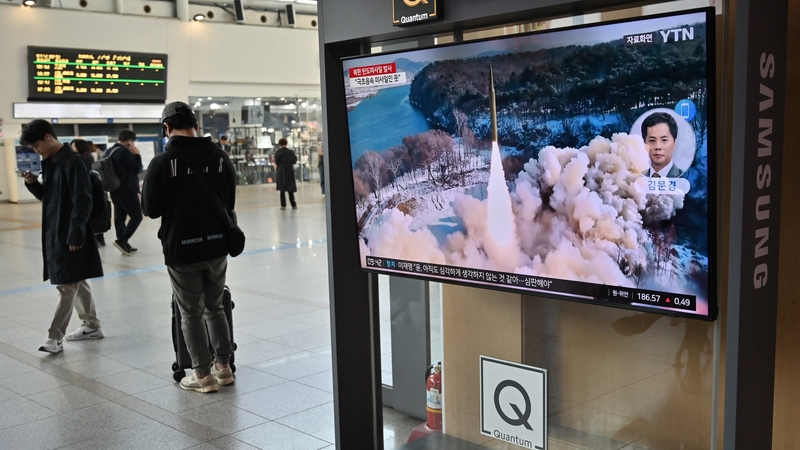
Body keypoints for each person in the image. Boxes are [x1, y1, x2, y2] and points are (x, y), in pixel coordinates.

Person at [141, 101, 236, 393]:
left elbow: (151, 210)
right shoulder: (220, 157)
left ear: (167, 128)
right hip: (217, 246)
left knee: (190, 312)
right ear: (196, 125)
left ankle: (202, 375)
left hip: (182, 248)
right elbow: (229, 201)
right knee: (216, 306)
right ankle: (224, 367)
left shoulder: (161, 163)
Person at [20, 120, 105, 354]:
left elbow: (83, 200)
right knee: (76, 279)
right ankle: (91, 325)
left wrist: (76, 235)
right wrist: (32, 183)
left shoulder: (73, 162)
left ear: (48, 138)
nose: (36, 150)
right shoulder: (51, 163)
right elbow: (50, 198)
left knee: (66, 285)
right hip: (57, 231)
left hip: (70, 233)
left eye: (36, 145)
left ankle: (54, 337)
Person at [107, 130, 143, 255]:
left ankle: (124, 244)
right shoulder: (124, 152)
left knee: (120, 217)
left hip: (114, 189)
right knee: (137, 216)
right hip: (127, 189)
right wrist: (137, 154)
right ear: (129, 141)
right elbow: (137, 168)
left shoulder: (110, 151)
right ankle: (122, 240)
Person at [641, 112, 683, 178]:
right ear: (644, 143)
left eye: (664, 140)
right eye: (652, 140)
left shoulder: (684, 178)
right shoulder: (637, 179)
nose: (658, 147)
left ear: (675, 142)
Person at [274, 138, 298, 210]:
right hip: (289, 170)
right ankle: (293, 204)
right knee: (290, 188)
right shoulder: (291, 152)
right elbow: (294, 160)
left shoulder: (278, 152)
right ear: (286, 143)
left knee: (282, 189)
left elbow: (276, 161)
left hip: (281, 170)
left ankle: (283, 205)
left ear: (279, 144)